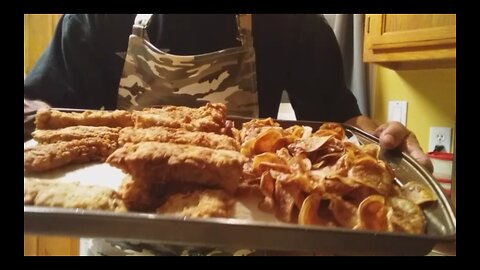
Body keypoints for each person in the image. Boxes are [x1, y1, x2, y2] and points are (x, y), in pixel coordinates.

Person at [24, 14, 433, 255]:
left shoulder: (292, 23)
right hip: (120, 245)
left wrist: (384, 141)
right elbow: (38, 108)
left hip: (245, 243)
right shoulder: (96, 20)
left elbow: (341, 123)